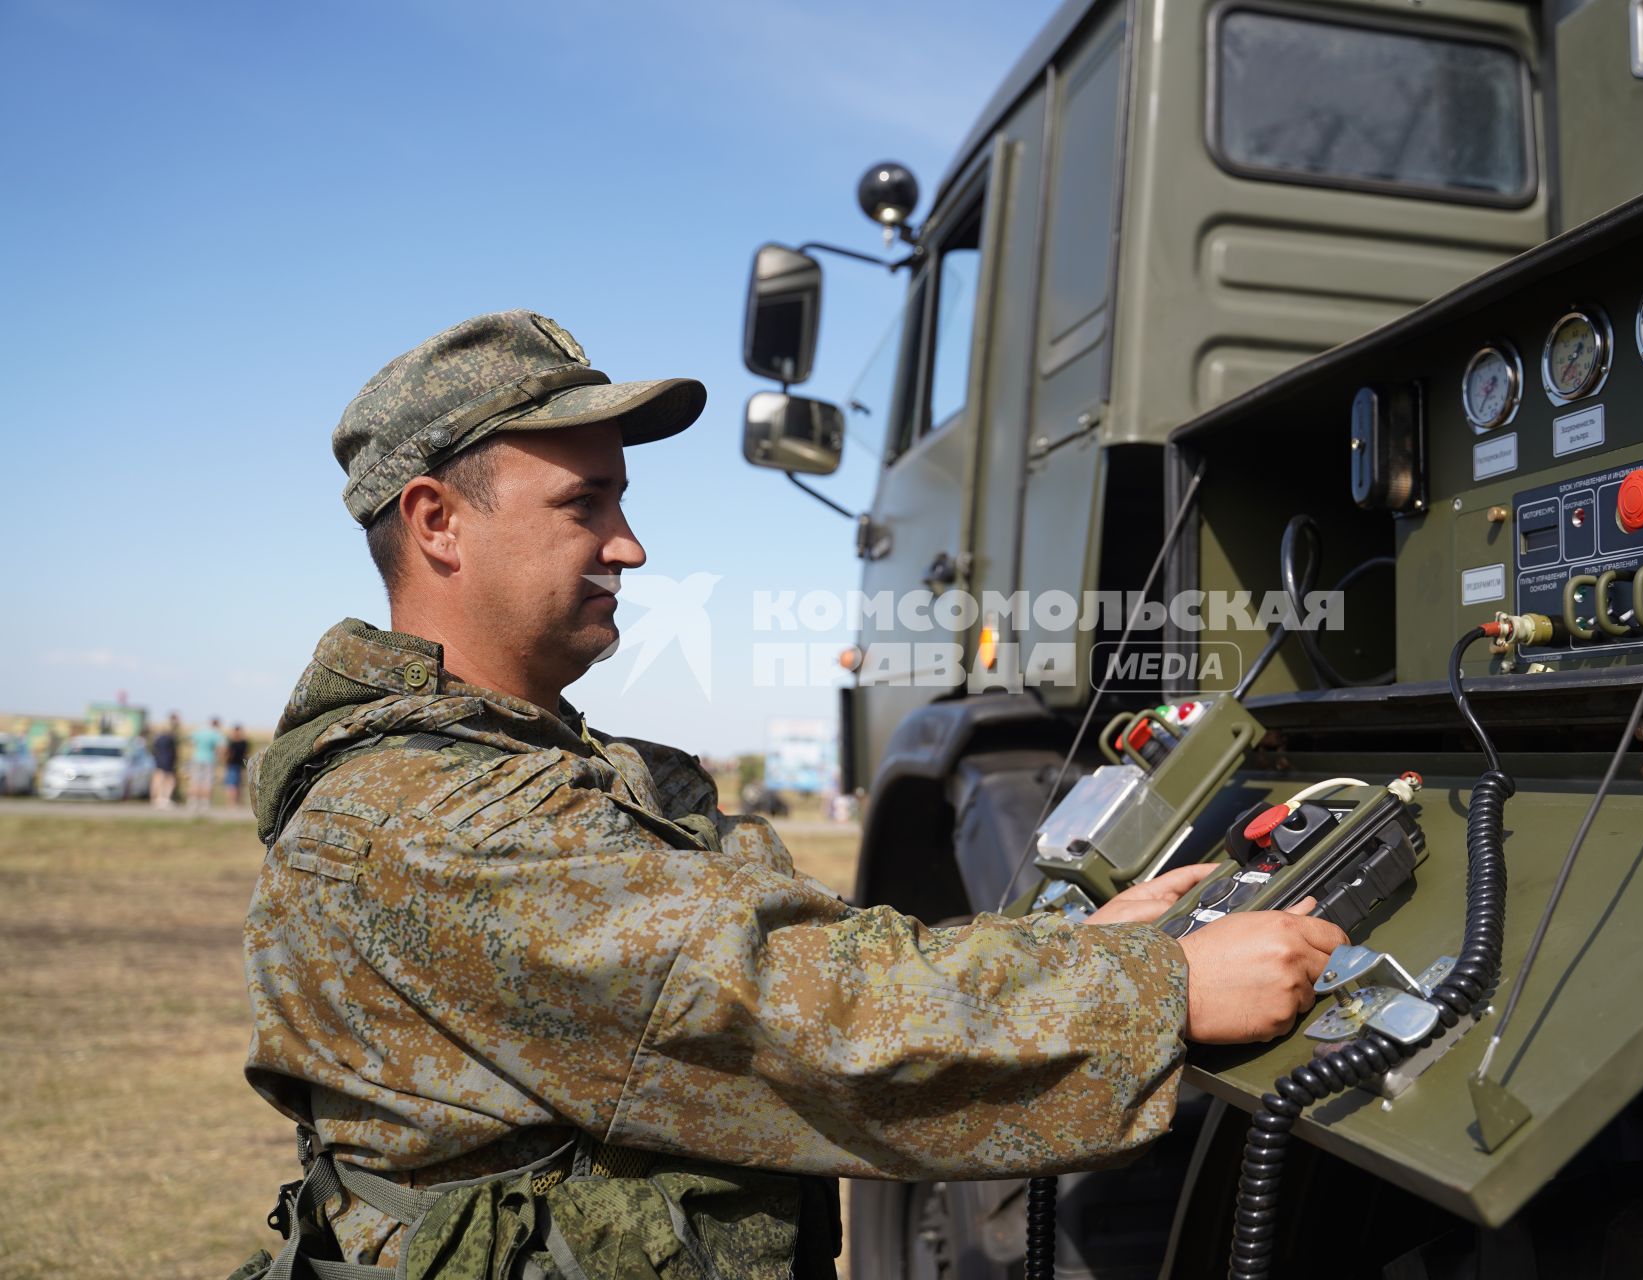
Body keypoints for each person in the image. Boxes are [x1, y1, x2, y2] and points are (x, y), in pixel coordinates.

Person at [234, 311, 1346, 1280]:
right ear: (437, 522)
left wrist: (1079, 945)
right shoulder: (428, 820)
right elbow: (784, 1009)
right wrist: (1155, 990)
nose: (630, 541)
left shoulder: (556, 772)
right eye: (588, 502)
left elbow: (811, 953)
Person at [188, 716, 224, 812]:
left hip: (196, 758)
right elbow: (221, 747)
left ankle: (193, 802)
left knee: (195, 780)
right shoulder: (216, 733)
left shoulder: (200, 731)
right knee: (207, 781)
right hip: (209, 759)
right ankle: (205, 803)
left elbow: (191, 741)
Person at [149, 713, 180, 808]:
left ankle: (156, 799)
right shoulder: (169, 737)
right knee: (169, 780)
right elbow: (174, 751)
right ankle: (164, 799)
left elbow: (153, 749)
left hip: (158, 759)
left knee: (158, 778)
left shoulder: (157, 737)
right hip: (167, 760)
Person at [223, 723, 249, 807]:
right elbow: (246, 754)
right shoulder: (244, 742)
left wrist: (226, 761)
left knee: (231, 784)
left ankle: (232, 803)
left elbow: (228, 753)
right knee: (238, 784)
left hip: (232, 764)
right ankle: (238, 802)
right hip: (240, 764)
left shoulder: (232, 742)